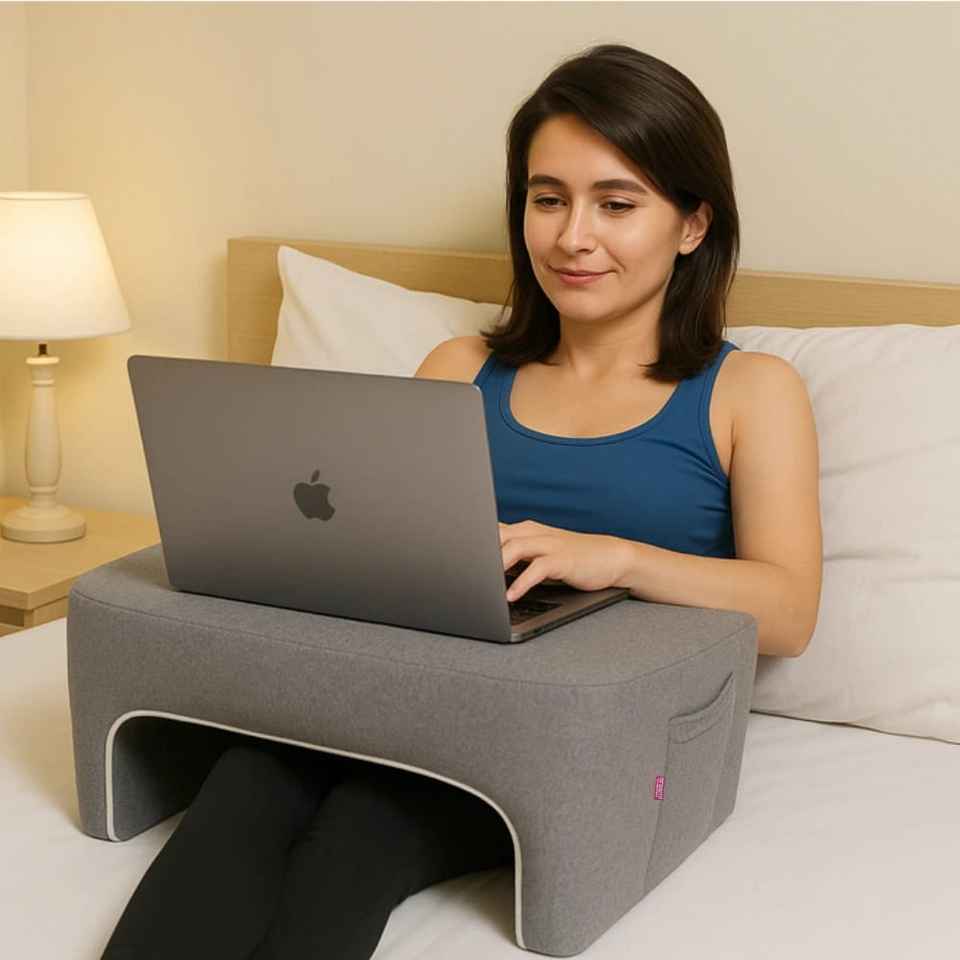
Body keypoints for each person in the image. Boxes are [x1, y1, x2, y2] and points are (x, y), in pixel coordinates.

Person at [100, 42, 822, 960]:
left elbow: (789, 612)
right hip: (412, 690)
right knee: (245, 781)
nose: (573, 236)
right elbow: (370, 544)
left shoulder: (750, 390)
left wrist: (615, 558)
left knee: (363, 826)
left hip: (575, 728)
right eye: (548, 198)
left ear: (692, 224)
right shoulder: (460, 369)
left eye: (617, 203)